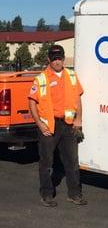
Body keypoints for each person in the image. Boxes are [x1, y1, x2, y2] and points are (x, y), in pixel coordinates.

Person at [28, 44, 87, 207]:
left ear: (63, 58)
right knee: (46, 162)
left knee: (72, 162)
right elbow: (32, 103)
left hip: (68, 125)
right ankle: (46, 195)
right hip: (49, 127)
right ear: (49, 59)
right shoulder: (41, 79)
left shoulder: (71, 76)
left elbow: (77, 99)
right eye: (54, 59)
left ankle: (74, 194)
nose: (57, 61)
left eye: (59, 58)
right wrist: (40, 124)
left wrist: (79, 120)